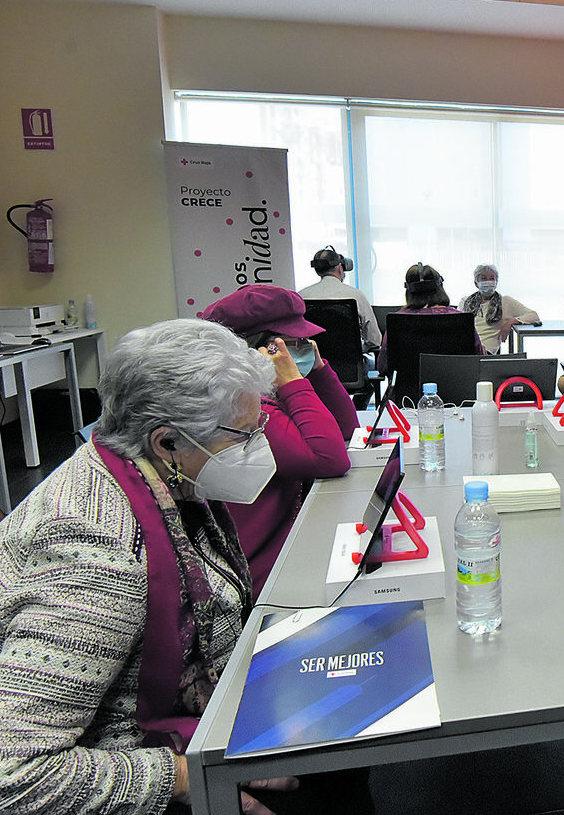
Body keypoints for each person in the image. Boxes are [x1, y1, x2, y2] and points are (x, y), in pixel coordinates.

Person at [0, 318, 374, 815]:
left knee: (335, 734)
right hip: (109, 750)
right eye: (245, 435)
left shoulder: (146, 476)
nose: (258, 447)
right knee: (326, 784)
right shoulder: (97, 555)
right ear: (167, 440)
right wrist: (178, 777)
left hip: (139, 709)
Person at [200, 284, 357, 594]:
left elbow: (347, 427)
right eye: (292, 343)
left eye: (303, 342)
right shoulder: (243, 408)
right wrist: (293, 381)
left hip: (290, 543)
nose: (302, 349)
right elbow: (331, 458)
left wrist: (319, 369)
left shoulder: (272, 392)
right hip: (263, 575)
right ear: (255, 349)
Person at [377, 262, 485, 375]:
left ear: (408, 291)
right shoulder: (461, 318)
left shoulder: (398, 320)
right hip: (457, 390)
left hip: (407, 391)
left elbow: (383, 367)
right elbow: (479, 361)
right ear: (440, 287)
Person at [299, 245, 384, 350]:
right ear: (340, 267)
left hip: (313, 364)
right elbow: (374, 340)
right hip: (351, 364)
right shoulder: (356, 295)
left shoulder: (301, 297)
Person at [460, 263, 541, 353]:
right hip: (466, 348)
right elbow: (458, 326)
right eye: (483, 278)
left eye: (491, 278)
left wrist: (511, 321)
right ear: (476, 283)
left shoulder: (505, 301)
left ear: (496, 282)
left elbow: (533, 315)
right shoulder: (465, 301)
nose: (488, 281)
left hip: (487, 351)